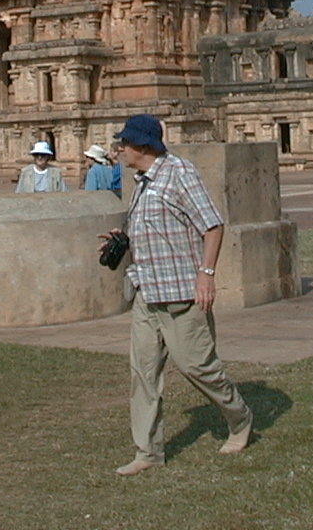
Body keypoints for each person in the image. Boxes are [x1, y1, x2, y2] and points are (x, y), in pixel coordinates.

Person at [101, 114, 252, 476]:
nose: (119, 149)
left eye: (125, 143)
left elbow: (212, 224)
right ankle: (148, 452)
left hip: (182, 292)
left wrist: (207, 274)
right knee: (144, 374)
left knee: (197, 366)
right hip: (147, 291)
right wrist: (121, 240)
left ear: (142, 146)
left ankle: (239, 417)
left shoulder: (178, 173)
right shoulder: (141, 180)